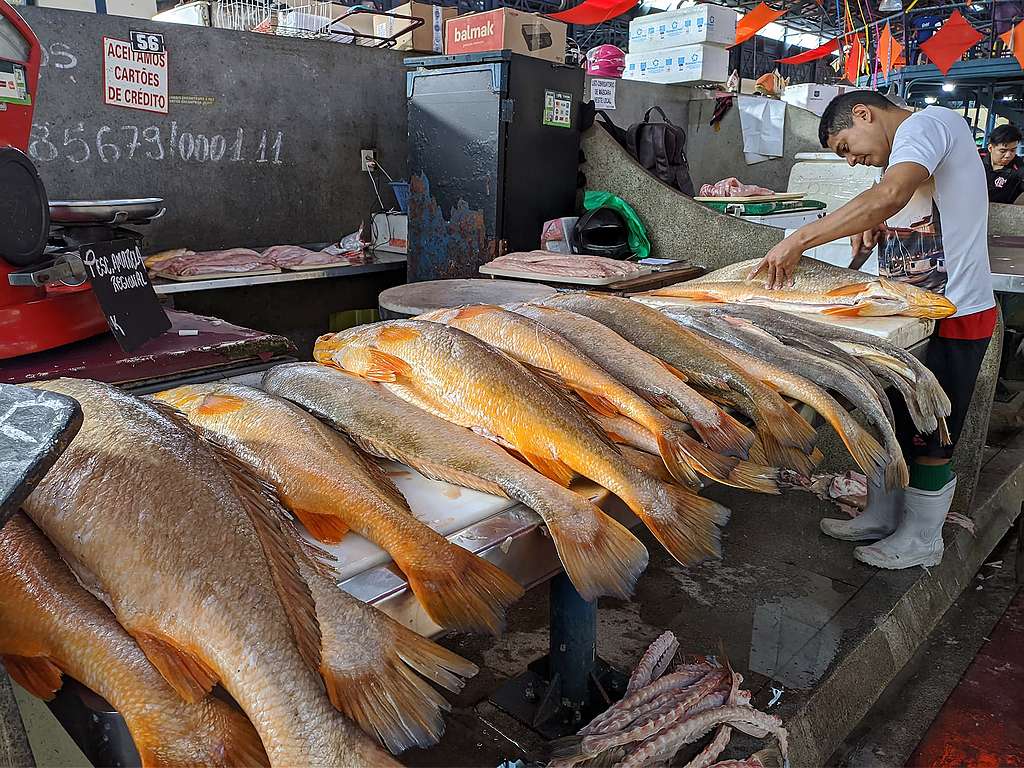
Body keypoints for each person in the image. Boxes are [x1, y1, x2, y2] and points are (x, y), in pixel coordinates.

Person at [748, 90, 996, 570]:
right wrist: (876, 228)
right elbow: (895, 202)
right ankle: (883, 516)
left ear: (864, 113)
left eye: (846, 146)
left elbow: (891, 194)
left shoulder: (928, 123)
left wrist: (798, 239)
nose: (852, 162)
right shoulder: (903, 156)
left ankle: (923, 538)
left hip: (954, 313)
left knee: (932, 430)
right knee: (892, 417)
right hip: (909, 313)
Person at [981, 123, 1024, 203]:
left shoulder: (1019, 167)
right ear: (990, 148)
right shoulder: (977, 158)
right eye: (1003, 151)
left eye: (1013, 150)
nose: (1008, 155)